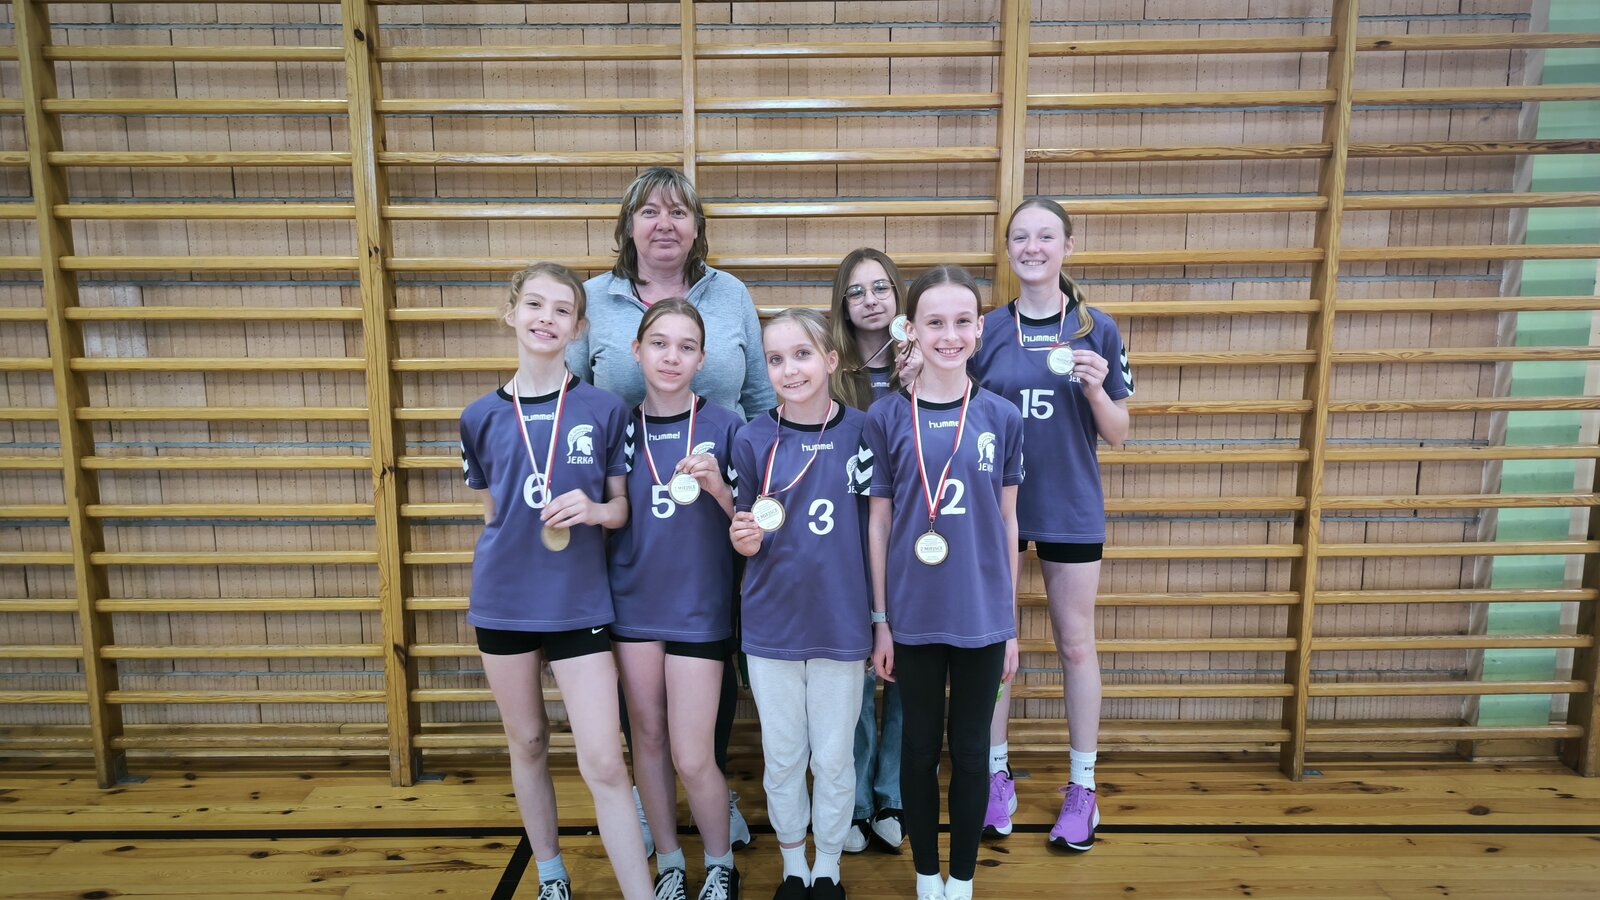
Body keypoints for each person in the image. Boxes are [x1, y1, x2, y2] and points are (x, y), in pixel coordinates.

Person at [569, 166, 772, 852]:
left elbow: (763, 405)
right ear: (628, 225)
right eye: (650, 211)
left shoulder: (730, 294)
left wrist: (749, 493)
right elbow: (569, 402)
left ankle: (710, 798)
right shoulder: (595, 299)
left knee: (702, 705)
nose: (664, 224)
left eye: (679, 212)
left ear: (697, 227)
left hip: (711, 535)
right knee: (647, 723)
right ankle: (662, 830)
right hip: (633, 535)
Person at [459, 262, 653, 900]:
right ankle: (550, 875)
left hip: (578, 604)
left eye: (562, 309)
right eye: (535, 305)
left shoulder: (604, 409)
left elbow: (620, 509)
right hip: (504, 602)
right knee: (529, 742)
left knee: (605, 760)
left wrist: (594, 511)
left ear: (580, 327)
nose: (547, 318)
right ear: (511, 314)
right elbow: (493, 515)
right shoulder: (478, 416)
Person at [969, 198, 1133, 852]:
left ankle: (1083, 788)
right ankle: (995, 777)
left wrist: (1094, 389)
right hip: (995, 508)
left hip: (1069, 504)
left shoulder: (1097, 328)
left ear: (1067, 246)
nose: (1032, 247)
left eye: (1045, 236)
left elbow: (1119, 433)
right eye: (1020, 237)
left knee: (1075, 644)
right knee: (994, 648)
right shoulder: (986, 328)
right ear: (1008, 248)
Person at [864, 265, 1023, 900]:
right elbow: (878, 523)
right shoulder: (884, 417)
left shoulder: (1001, 416)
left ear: (980, 329)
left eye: (962, 321)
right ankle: (926, 877)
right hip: (913, 616)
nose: (949, 335)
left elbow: (1008, 522)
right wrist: (881, 620)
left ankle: (962, 881)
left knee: (972, 749)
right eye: (935, 322)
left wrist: (1009, 625)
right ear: (911, 329)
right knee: (919, 749)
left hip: (982, 616)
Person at [728, 309, 872, 900]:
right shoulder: (751, 438)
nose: (789, 369)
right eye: (776, 359)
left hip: (842, 622)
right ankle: (794, 864)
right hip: (771, 624)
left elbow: (878, 529)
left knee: (834, 758)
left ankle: (829, 865)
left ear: (831, 360)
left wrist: (880, 620)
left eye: (803, 354)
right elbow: (743, 527)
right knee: (783, 755)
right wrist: (742, 538)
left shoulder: (864, 431)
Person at [609, 299, 745, 900]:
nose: (671, 357)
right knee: (648, 741)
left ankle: (720, 864)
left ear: (702, 359)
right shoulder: (616, 425)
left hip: (699, 608)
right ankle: (669, 863)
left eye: (686, 346)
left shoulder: (727, 426)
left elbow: (754, 526)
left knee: (692, 755)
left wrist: (719, 490)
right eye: (659, 343)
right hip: (633, 606)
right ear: (636, 351)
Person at [828, 248, 906, 854]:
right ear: (842, 304)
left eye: (881, 287)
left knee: (904, 669)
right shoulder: (832, 370)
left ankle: (892, 793)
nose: (870, 300)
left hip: (914, 538)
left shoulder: (924, 360)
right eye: (856, 291)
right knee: (854, 675)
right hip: (849, 539)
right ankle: (854, 799)